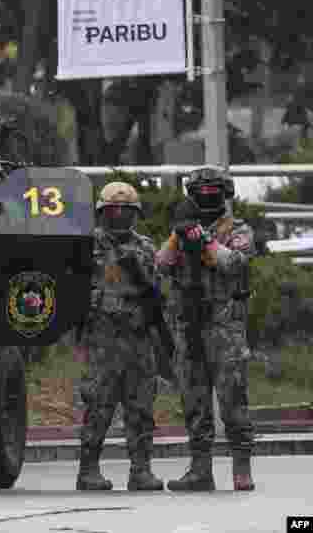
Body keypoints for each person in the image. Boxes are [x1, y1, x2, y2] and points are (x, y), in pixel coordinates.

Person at [156, 167, 256, 491]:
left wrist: (205, 239)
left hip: (224, 325)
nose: (208, 197)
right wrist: (179, 232)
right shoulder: (185, 230)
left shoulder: (238, 229)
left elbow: (232, 263)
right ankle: (201, 471)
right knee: (194, 402)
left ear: (225, 195)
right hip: (189, 325)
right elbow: (161, 263)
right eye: (202, 193)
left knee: (232, 400)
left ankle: (242, 469)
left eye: (214, 192)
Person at [76, 181, 164, 491]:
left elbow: (155, 291)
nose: (120, 216)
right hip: (104, 337)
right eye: (114, 210)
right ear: (102, 212)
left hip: (138, 337)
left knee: (140, 406)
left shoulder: (145, 247)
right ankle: (88, 470)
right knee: (99, 403)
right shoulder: (88, 244)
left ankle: (141, 470)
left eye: (126, 211)